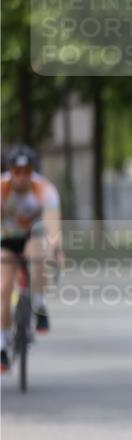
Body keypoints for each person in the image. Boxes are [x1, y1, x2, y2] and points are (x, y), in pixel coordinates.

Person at [1, 146, 61, 373]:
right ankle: (2, 344)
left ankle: (39, 304)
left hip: (32, 236)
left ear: (32, 171)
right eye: (17, 171)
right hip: (6, 238)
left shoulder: (45, 190)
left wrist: (55, 249)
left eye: (26, 171)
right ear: (10, 171)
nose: (22, 177)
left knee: (39, 253)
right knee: (3, 289)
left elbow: (53, 225)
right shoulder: (2, 188)